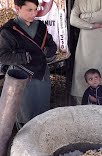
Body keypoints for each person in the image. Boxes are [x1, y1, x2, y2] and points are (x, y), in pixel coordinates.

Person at [0, 0, 57, 128]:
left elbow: (52, 45)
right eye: (29, 10)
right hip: (22, 77)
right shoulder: (9, 31)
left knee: (42, 111)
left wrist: (48, 51)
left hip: (42, 75)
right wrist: (23, 57)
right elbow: (3, 56)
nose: (34, 14)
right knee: (25, 114)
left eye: (35, 9)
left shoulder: (41, 27)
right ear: (17, 8)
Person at [70, 0, 102, 106]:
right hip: (86, 45)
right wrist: (92, 26)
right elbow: (72, 20)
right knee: (82, 77)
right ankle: (84, 112)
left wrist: (83, 17)